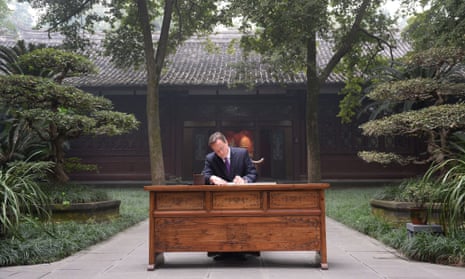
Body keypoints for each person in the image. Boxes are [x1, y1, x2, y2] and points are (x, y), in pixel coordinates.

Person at [202, 131, 259, 261]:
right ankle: (222, 250)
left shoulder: (241, 153)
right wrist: (212, 178)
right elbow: (204, 175)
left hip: (243, 199)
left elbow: (253, 173)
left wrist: (245, 180)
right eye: (216, 151)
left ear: (227, 142)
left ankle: (243, 249)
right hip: (220, 201)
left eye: (221, 149)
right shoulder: (210, 158)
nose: (220, 153)